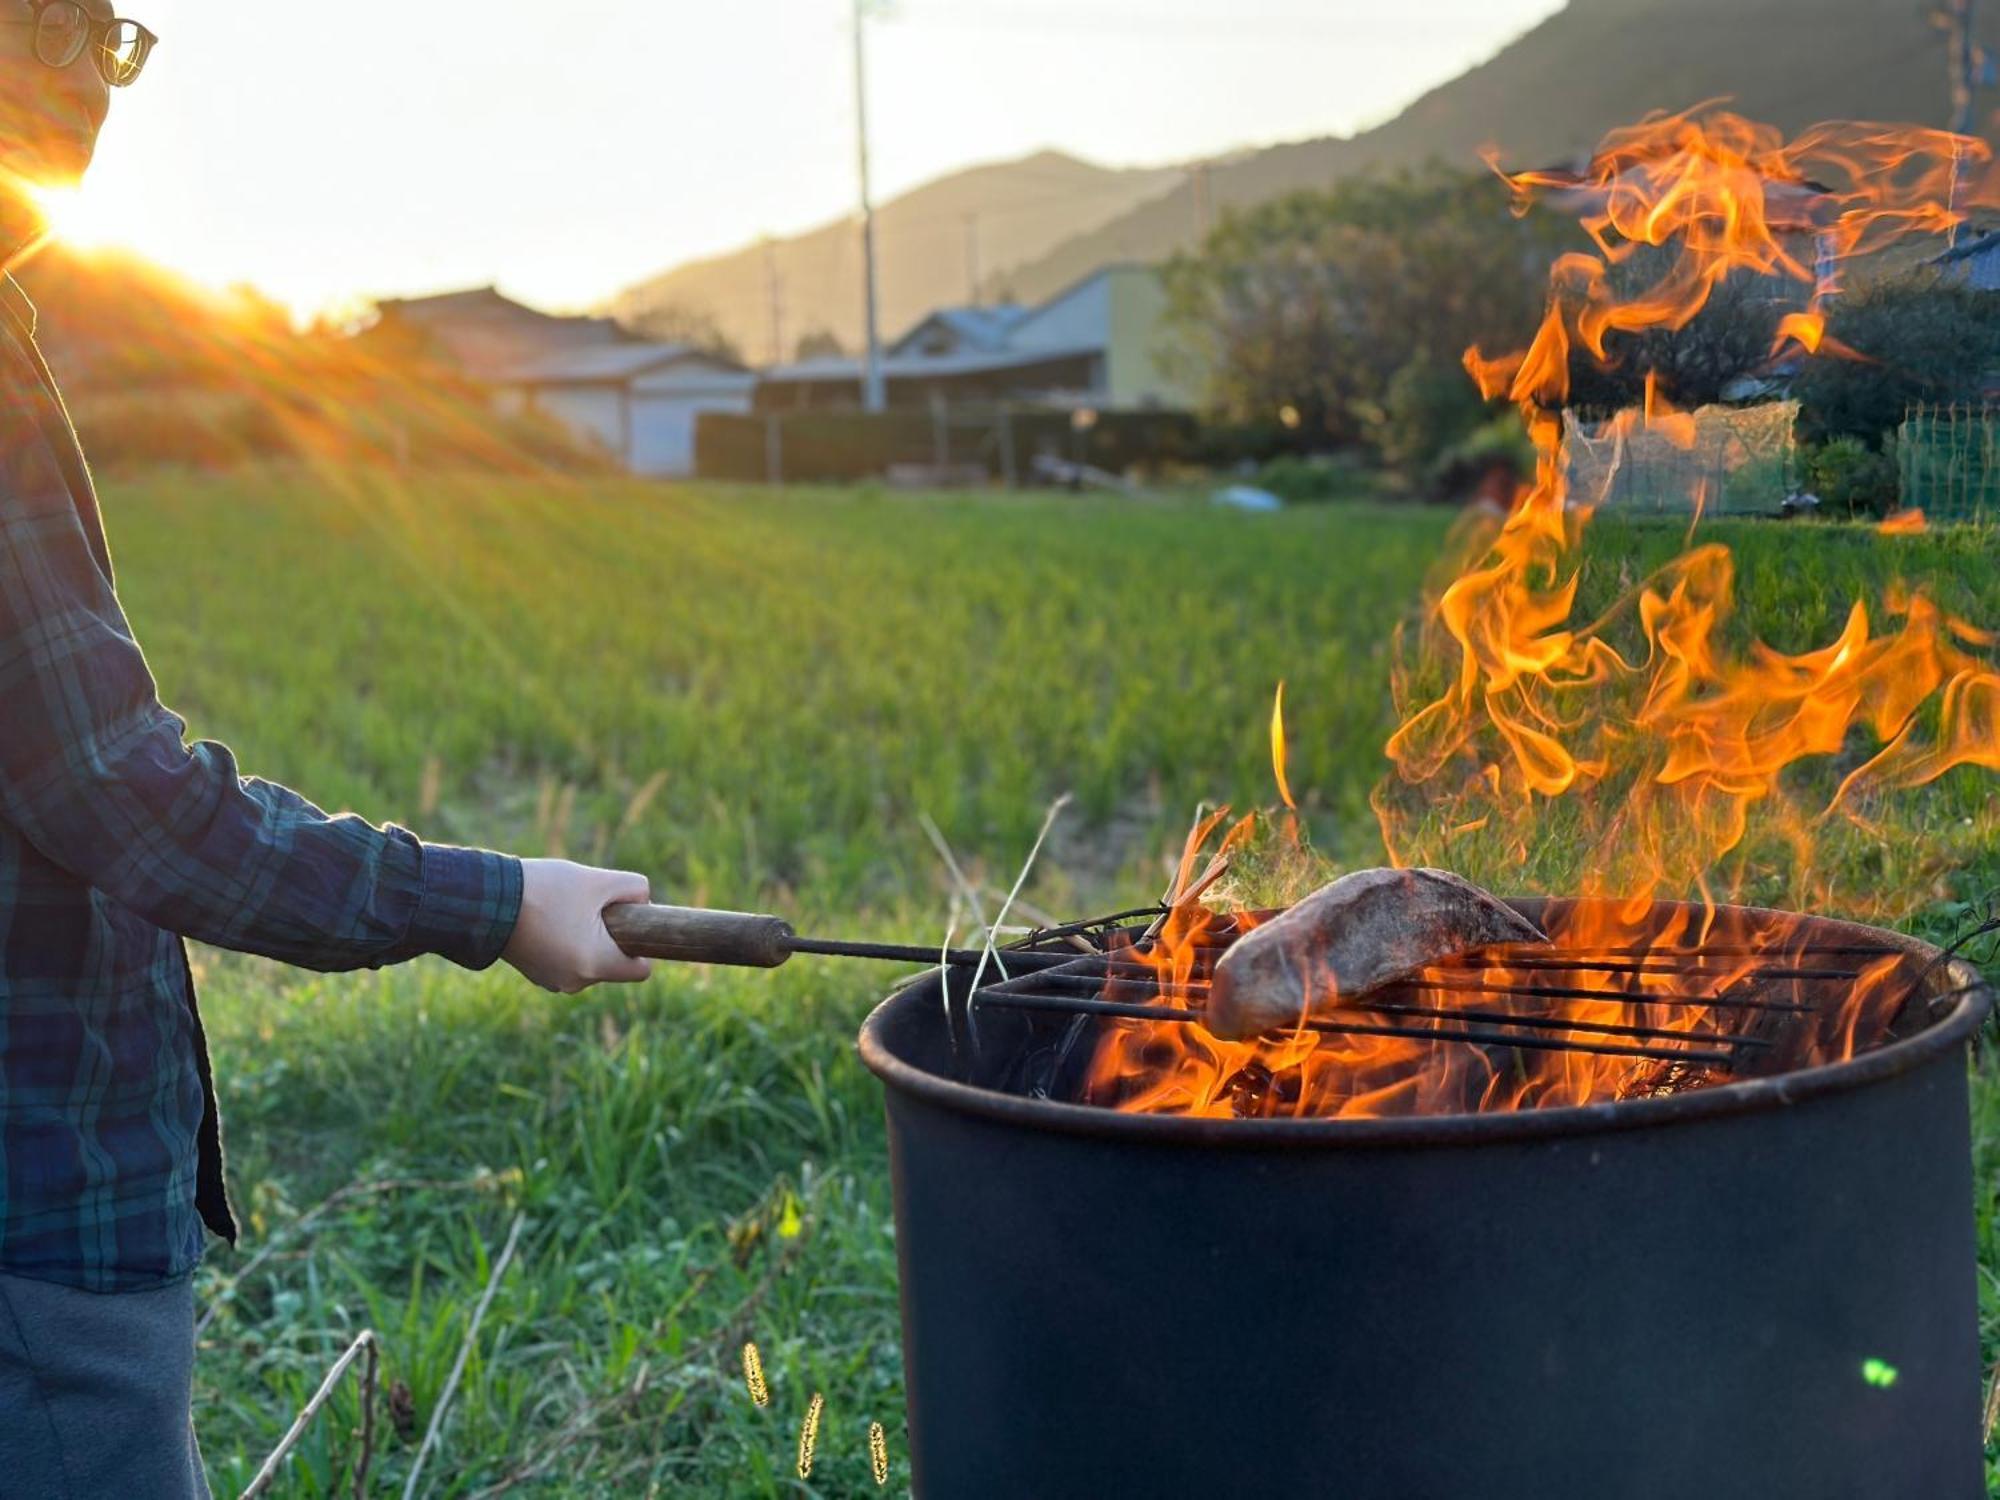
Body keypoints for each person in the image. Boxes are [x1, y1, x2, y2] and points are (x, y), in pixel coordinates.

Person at [0, 6, 655, 1493]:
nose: (78, 85)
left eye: (102, 38)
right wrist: (493, 903)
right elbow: (123, 799)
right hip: (31, 1214)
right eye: (46, 24)